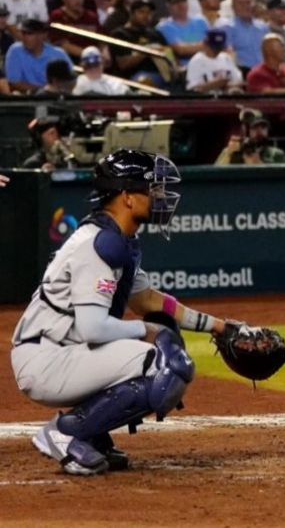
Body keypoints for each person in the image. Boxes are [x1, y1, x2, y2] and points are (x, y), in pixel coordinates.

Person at [8, 150, 232, 476]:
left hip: (60, 349)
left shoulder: (118, 239)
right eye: (151, 189)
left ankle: (93, 434)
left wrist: (219, 327)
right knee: (164, 363)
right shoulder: (100, 244)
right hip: (47, 358)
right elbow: (94, 329)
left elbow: (149, 301)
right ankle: (66, 432)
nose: (159, 196)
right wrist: (148, 331)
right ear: (127, 197)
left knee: (165, 339)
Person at [7, 17, 72, 94]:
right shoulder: (15, 50)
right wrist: (42, 91)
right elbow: (14, 82)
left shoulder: (58, 54)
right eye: (23, 33)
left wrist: (50, 91)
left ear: (42, 35)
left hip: (56, 97)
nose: (25, 37)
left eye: (29, 34)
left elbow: (71, 80)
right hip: (27, 98)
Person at [215, 110, 285, 165]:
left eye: (263, 127)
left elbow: (278, 180)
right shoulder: (232, 151)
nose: (259, 131)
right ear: (246, 131)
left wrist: (255, 161)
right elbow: (216, 175)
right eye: (254, 127)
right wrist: (229, 154)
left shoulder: (276, 154)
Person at [185, 28, 243, 93]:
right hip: (206, 100)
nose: (217, 50)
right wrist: (213, 85)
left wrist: (228, 85)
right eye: (214, 47)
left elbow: (238, 81)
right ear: (205, 44)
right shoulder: (196, 61)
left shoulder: (226, 58)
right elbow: (193, 90)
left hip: (226, 99)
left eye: (219, 47)